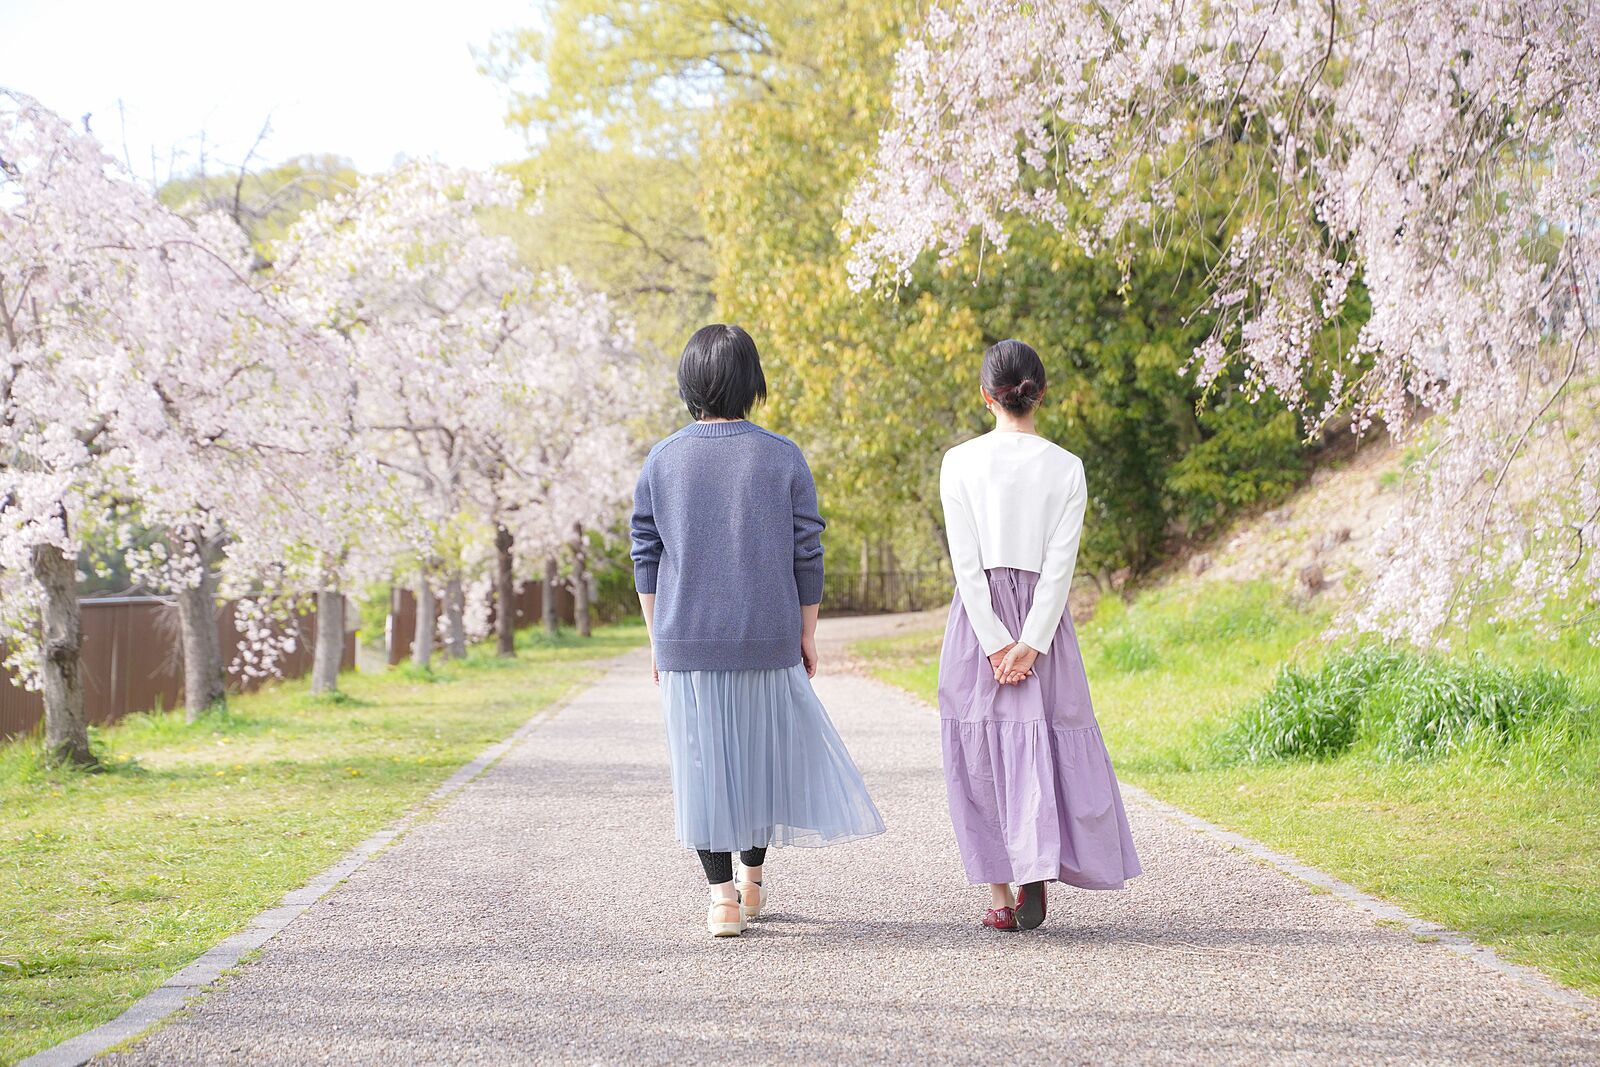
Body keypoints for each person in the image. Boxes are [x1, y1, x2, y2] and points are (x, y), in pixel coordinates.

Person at [631, 323, 885, 939]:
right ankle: (752, 881)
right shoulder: (782, 455)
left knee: (704, 767)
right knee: (760, 759)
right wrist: (807, 632)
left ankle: (721, 900)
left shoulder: (663, 460)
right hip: (769, 635)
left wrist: (656, 636)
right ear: (753, 383)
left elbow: (646, 551)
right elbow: (808, 551)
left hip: (687, 639)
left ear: (689, 382)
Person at [937, 339, 1142, 932]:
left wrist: (998, 642)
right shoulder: (1067, 467)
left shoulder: (959, 461)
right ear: (1040, 393)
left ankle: (1002, 896)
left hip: (979, 625)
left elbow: (965, 564)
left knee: (981, 749)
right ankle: (1035, 869)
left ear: (986, 397)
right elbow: (1060, 567)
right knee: (1042, 739)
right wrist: (1031, 640)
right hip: (1043, 626)